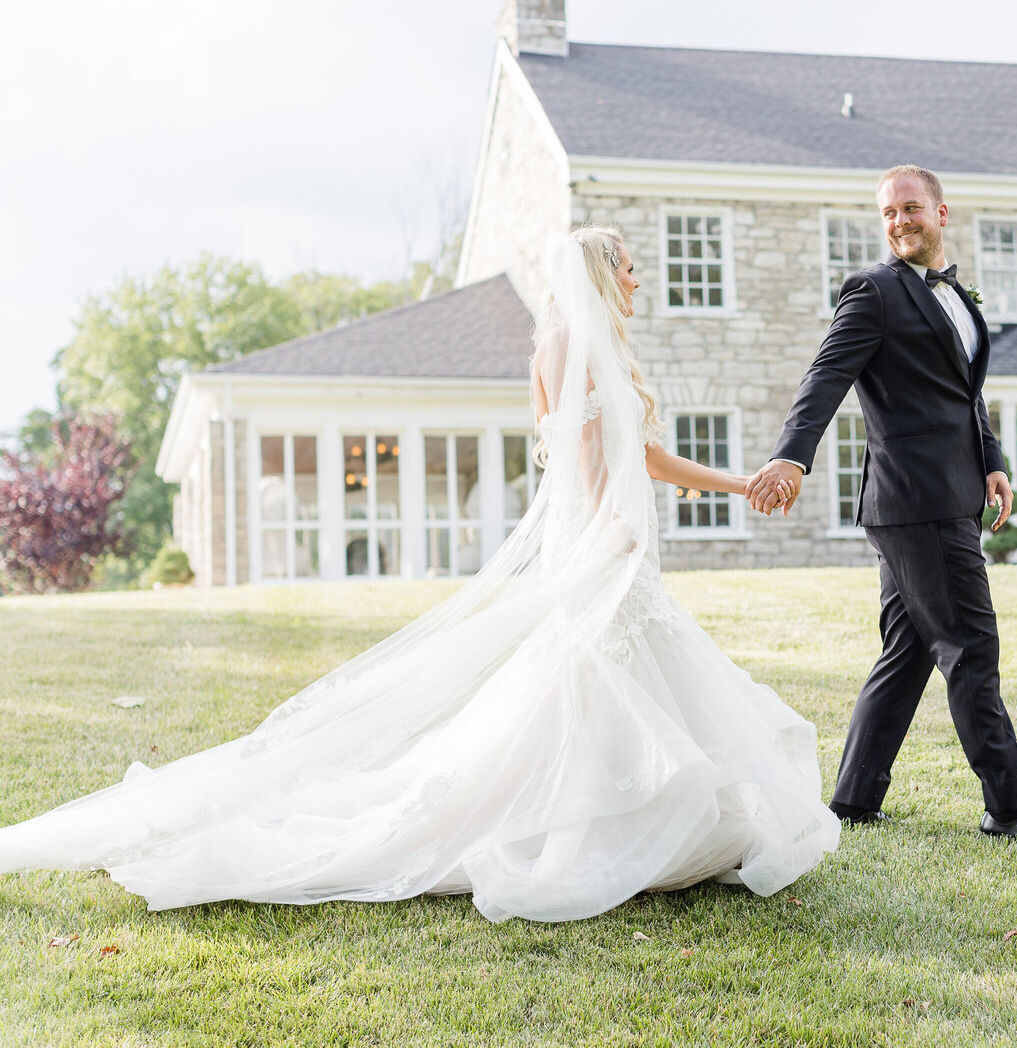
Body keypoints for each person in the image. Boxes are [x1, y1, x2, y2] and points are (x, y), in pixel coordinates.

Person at [0, 228, 840, 922]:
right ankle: (589, 821)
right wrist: (611, 531)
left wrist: (740, 480)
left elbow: (642, 454)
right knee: (591, 684)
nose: (637, 277)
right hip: (601, 542)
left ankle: (664, 817)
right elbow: (585, 459)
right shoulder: (565, 342)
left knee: (621, 685)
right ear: (596, 269)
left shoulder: (599, 348)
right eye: (627, 264)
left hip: (616, 540)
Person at [746, 164, 1017, 850]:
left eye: (911, 209)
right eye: (889, 213)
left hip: (943, 498)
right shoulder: (874, 292)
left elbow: (966, 396)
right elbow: (827, 374)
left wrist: (993, 462)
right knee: (971, 646)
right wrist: (791, 454)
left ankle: (854, 798)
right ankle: (1010, 808)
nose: (899, 222)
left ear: (942, 213)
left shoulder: (960, 298)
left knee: (908, 650)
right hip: (916, 504)